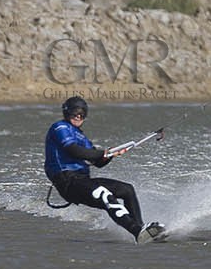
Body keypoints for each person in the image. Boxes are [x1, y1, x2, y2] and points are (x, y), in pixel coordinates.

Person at [45, 96, 166, 242]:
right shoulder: (60, 127)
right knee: (104, 194)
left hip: (82, 181)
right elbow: (73, 151)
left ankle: (142, 231)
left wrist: (111, 154)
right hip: (67, 182)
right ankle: (136, 231)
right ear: (66, 112)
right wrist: (103, 153)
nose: (78, 116)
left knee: (127, 190)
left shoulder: (82, 138)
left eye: (82, 113)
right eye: (74, 112)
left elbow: (98, 163)